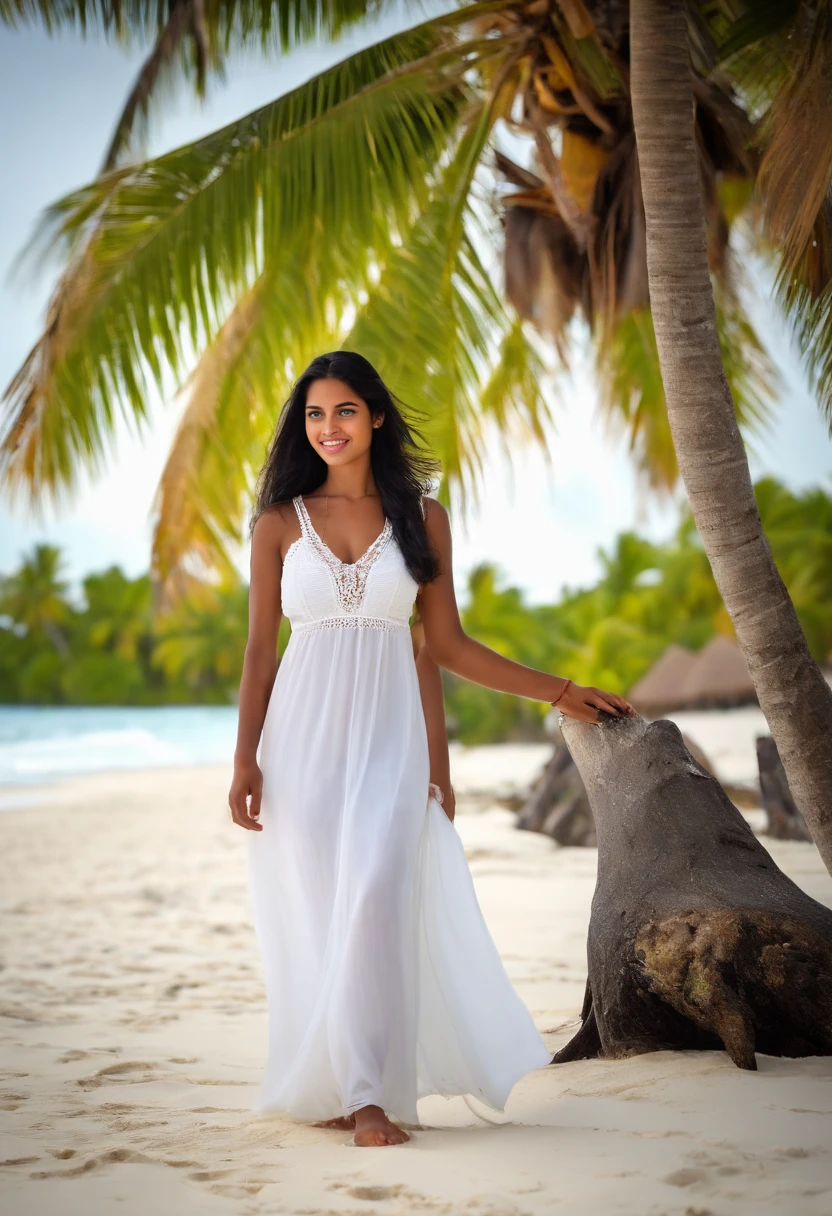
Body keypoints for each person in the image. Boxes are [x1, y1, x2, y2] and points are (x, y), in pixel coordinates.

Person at [229, 351, 635, 1148]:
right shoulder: (278, 522)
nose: (329, 427)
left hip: (389, 744)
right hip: (299, 748)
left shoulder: (422, 516)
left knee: (375, 905)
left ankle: (369, 1097)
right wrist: (245, 759)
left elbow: (444, 646)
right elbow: (258, 653)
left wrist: (556, 690)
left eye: (345, 410)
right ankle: (342, 1085)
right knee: (322, 916)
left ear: (376, 416)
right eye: (315, 414)